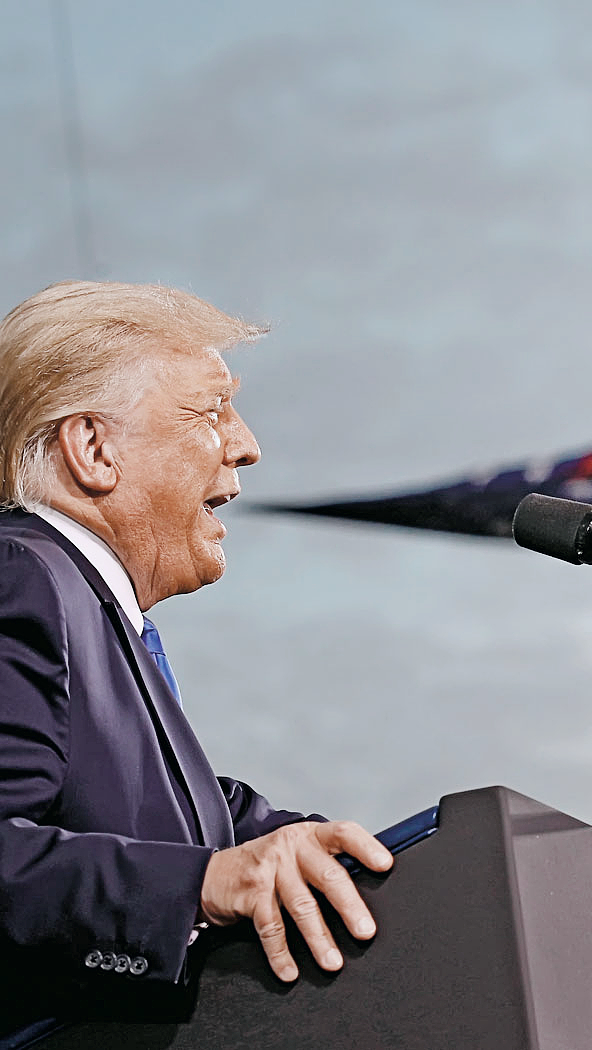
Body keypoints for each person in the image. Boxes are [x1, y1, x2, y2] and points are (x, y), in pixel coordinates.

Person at [0, 281, 392, 1028]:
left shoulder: (92, 613)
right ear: (94, 449)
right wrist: (201, 886)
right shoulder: (23, 576)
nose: (247, 444)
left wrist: (389, 861)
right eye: (212, 411)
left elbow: (217, 820)